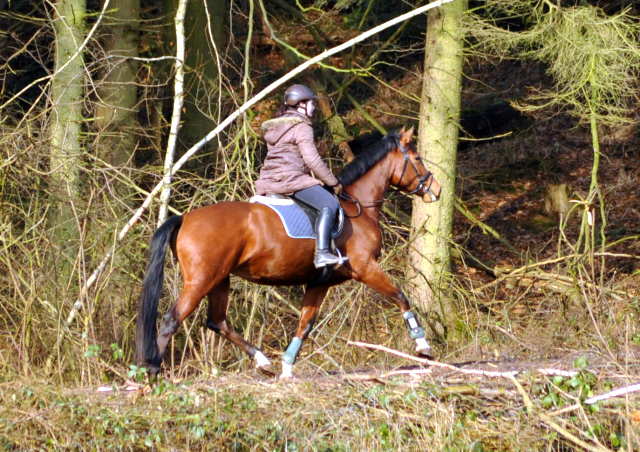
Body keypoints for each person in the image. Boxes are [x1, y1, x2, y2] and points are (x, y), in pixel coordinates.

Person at [255, 84, 343, 268]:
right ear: (301, 104)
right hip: (291, 180)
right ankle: (323, 253)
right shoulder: (301, 126)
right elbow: (312, 160)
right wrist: (332, 181)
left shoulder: (277, 127)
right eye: (311, 103)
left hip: (269, 181)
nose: (314, 107)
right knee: (329, 203)